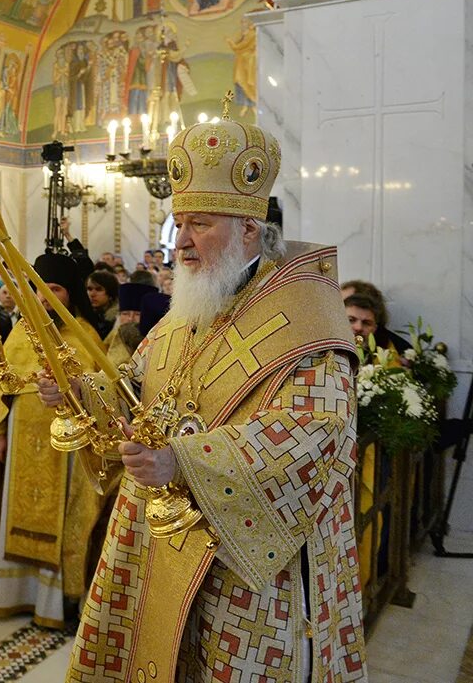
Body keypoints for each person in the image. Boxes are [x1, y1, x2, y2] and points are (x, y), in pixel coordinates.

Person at [43, 107, 366, 679]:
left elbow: (314, 432)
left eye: (200, 224)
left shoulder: (306, 317)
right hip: (165, 534)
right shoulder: (191, 307)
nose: (182, 241)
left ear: (249, 229)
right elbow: (137, 388)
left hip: (252, 563)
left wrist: (182, 461)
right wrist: (81, 393)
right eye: (179, 223)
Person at [0, 252, 113, 628]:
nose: (43, 298)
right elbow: (1, 388)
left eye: (53, 289)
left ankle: (51, 604)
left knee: (60, 519)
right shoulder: (22, 332)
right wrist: (0, 433)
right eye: (38, 290)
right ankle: (13, 595)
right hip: (22, 443)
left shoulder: (84, 336)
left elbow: (101, 396)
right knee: (16, 511)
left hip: (66, 452)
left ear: (68, 294)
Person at [104, 281, 157, 368]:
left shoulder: (152, 340)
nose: (130, 319)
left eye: (137, 314)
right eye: (125, 314)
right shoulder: (112, 336)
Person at [85, 269, 119, 338]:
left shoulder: (116, 320)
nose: (92, 294)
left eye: (98, 289)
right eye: (89, 289)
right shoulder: (84, 315)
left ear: (110, 294)